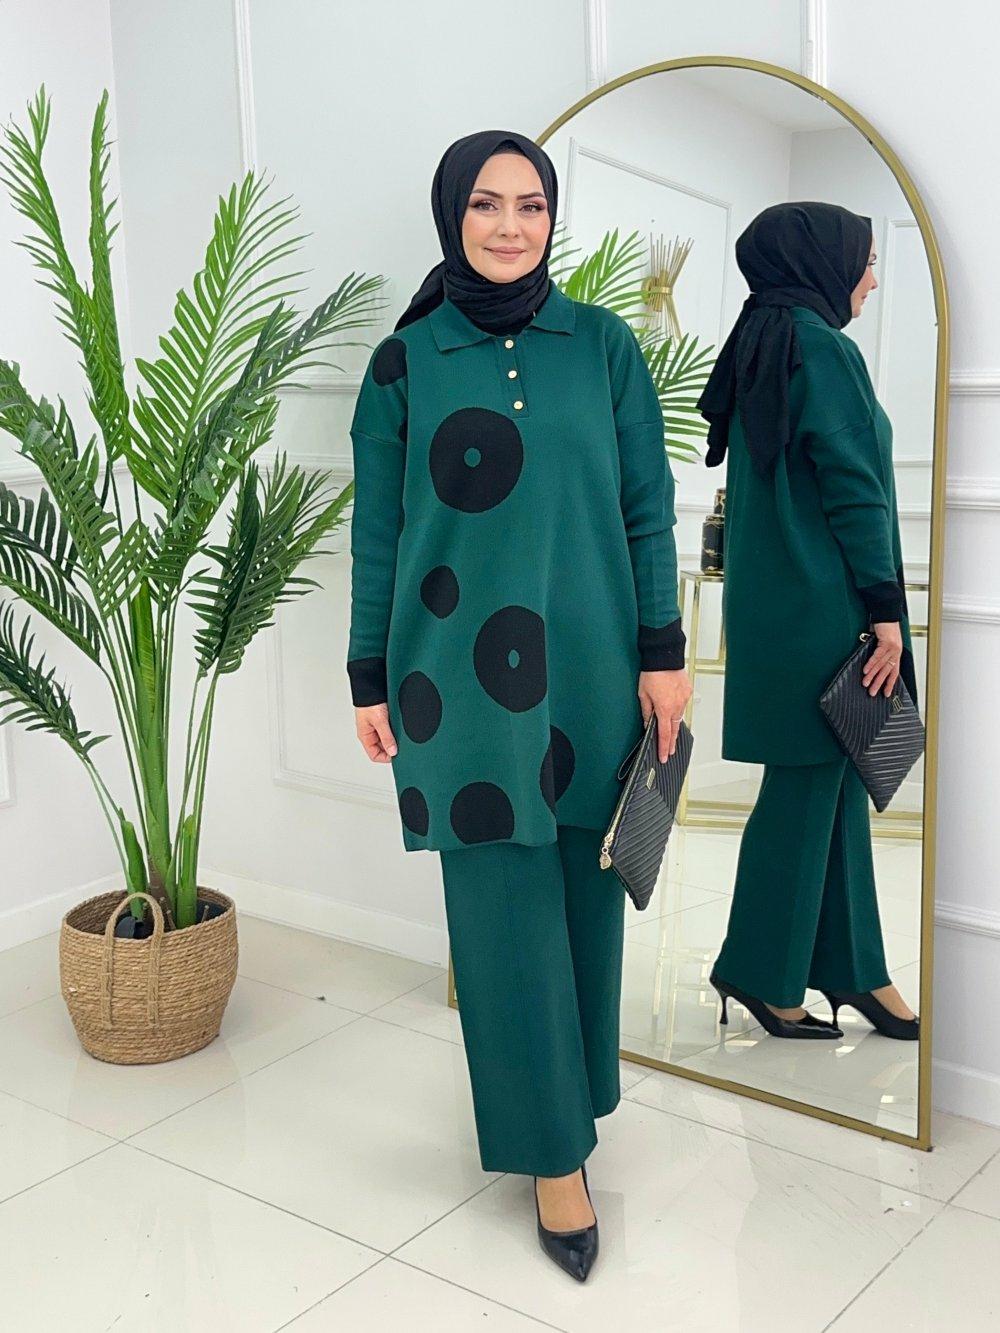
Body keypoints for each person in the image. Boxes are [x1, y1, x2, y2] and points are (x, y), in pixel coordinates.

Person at [345, 129, 692, 1280]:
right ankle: (553, 1160)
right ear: (452, 216)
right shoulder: (404, 364)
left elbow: (647, 506)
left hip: (595, 664)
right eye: (486, 204)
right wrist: (366, 674)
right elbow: (381, 535)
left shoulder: (602, 346)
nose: (509, 225)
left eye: (530, 204)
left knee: (587, 901)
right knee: (500, 918)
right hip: (452, 678)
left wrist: (663, 652)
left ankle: (570, 1102)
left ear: (551, 217)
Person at [696, 200, 919, 1043]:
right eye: (865, 261)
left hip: (776, 602)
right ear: (822, 261)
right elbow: (854, 484)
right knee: (803, 789)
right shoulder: (821, 346)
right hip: (828, 605)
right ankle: (757, 969)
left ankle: (854, 968)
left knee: (831, 785)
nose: (870, 279)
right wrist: (886, 611)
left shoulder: (764, 337)